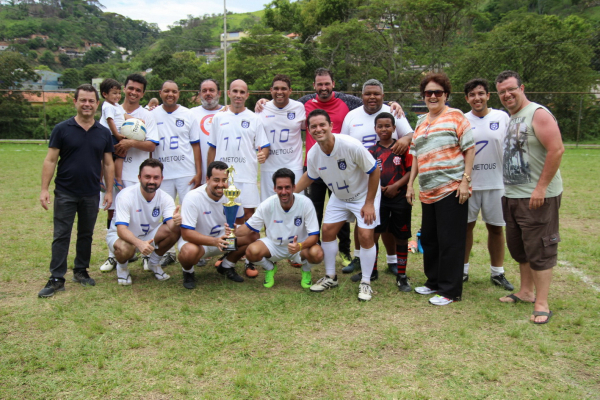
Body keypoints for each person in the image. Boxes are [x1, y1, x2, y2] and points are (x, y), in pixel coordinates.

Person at [495, 70, 564, 324]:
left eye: (511, 89)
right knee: (520, 247)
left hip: (536, 197)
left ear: (522, 88)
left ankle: (542, 302)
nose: (507, 94)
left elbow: (556, 149)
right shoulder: (513, 117)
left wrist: (541, 188)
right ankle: (526, 292)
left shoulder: (538, 113)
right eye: (502, 91)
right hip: (512, 195)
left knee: (540, 249)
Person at [295, 109, 381, 301]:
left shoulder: (350, 145)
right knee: (327, 231)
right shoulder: (313, 153)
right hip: (340, 196)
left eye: (322, 125)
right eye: (314, 126)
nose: (318, 129)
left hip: (363, 195)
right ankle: (331, 277)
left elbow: (374, 171)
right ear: (308, 130)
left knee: (366, 235)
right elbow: (310, 176)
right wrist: (290, 193)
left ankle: (366, 283)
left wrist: (369, 203)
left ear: (331, 126)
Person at [38, 84, 115, 298]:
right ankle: (56, 278)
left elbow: (108, 164)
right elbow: (50, 159)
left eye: (91, 101)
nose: (87, 104)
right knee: (61, 235)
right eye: (83, 100)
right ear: (75, 102)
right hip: (65, 192)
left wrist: (108, 191)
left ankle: (81, 271)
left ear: (97, 104)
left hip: (91, 193)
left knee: (86, 234)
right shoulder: (62, 129)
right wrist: (44, 188)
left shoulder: (103, 133)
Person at [406, 72, 475, 306]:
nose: (433, 96)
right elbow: (415, 154)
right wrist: (410, 184)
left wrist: (465, 180)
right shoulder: (421, 121)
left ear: (446, 94)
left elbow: (470, 149)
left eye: (437, 92)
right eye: (428, 93)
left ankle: (450, 290)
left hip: (451, 189)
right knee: (431, 239)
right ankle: (433, 281)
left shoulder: (456, 117)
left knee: (450, 241)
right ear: (423, 96)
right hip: (427, 192)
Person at [339, 79, 414, 276]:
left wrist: (405, 138)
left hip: (390, 178)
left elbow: (410, 135)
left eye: (377, 94)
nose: (372, 97)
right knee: (362, 218)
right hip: (359, 178)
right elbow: (343, 145)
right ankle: (359, 259)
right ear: (361, 96)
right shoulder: (351, 116)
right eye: (368, 94)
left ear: (383, 95)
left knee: (387, 224)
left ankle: (391, 261)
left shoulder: (394, 111)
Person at [207, 79, 270, 277]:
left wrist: (264, 153)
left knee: (250, 221)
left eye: (242, 92)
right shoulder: (219, 118)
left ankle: (249, 260)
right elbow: (212, 147)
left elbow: (264, 145)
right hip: (224, 179)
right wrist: (210, 175)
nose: (238, 95)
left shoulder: (255, 118)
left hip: (247, 177)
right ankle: (228, 255)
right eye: (235, 91)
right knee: (227, 220)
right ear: (228, 93)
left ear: (247, 95)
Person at [99, 74, 160, 273]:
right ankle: (113, 254)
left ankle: (144, 252)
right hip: (112, 171)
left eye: (138, 90)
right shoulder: (111, 110)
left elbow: (152, 143)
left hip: (137, 173)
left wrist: (130, 143)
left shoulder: (148, 115)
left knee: (141, 213)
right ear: (124, 89)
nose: (133, 92)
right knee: (113, 210)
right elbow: (102, 138)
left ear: (143, 94)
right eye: (130, 88)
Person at [462, 78, 513, 291]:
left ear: (488, 96)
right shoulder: (461, 119)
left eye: (481, 93)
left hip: (496, 184)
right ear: (467, 99)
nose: (477, 98)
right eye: (472, 95)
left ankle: (497, 272)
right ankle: (461, 271)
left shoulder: (502, 117)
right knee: (465, 228)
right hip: (469, 185)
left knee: (496, 229)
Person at [238, 168, 323, 288]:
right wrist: (231, 231)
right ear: (274, 188)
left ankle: (306, 269)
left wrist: (300, 246)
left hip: (299, 247)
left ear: (294, 187)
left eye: (287, 187)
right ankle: (270, 268)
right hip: (274, 246)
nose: (284, 192)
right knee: (251, 252)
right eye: (280, 188)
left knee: (317, 254)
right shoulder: (267, 204)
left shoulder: (305, 203)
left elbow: (314, 236)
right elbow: (247, 228)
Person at [177, 161, 257, 289]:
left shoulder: (233, 195)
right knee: (188, 252)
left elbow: (241, 224)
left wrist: (236, 230)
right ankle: (188, 272)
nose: (221, 185)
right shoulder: (192, 197)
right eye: (216, 180)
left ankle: (226, 266)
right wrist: (215, 241)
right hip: (200, 244)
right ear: (207, 179)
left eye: (224, 180)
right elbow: (186, 234)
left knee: (253, 235)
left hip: (224, 241)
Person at [106, 158, 181, 285]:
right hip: (122, 237)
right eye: (147, 177)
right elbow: (121, 230)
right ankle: (122, 268)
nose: (151, 181)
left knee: (176, 230)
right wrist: (139, 244)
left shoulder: (165, 198)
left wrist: (177, 221)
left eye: (156, 177)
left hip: (148, 235)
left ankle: (154, 263)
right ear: (139, 177)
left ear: (161, 179)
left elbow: (171, 227)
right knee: (125, 249)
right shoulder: (126, 195)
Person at [152, 80, 203, 267]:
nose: (170, 94)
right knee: (165, 216)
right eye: (166, 91)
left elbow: (195, 145)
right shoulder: (152, 114)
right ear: (160, 93)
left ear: (179, 93)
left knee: (191, 213)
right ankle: (169, 252)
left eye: (174, 91)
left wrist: (198, 172)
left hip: (185, 172)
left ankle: (193, 249)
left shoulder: (188, 114)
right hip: (163, 173)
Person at [368, 112, 413, 292]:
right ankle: (372, 270)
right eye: (380, 126)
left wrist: (396, 186)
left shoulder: (402, 148)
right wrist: (377, 189)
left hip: (400, 197)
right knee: (374, 234)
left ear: (394, 128)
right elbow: (368, 175)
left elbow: (410, 171)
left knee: (401, 236)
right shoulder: (371, 151)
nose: (384, 129)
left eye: (388, 126)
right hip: (379, 199)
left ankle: (402, 275)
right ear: (375, 129)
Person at [256, 74, 306, 202]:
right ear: (271, 90)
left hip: (293, 166)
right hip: (269, 167)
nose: (280, 92)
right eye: (276, 88)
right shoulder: (261, 108)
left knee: (296, 205)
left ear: (290, 91)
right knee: (269, 207)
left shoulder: (299, 107)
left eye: (283, 89)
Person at [190, 79, 225, 185]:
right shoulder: (190, 114)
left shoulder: (227, 112)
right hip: (197, 174)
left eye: (211, 90)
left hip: (223, 173)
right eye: (204, 91)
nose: (208, 93)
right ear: (200, 94)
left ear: (219, 93)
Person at [99, 78, 125, 188]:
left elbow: (125, 115)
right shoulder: (108, 106)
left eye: (119, 93)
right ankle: (100, 179)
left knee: (119, 155)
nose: (118, 96)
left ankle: (116, 178)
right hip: (110, 136)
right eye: (114, 93)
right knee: (107, 158)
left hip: (114, 136)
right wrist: (118, 135)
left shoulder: (117, 105)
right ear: (105, 94)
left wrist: (137, 120)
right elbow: (110, 121)